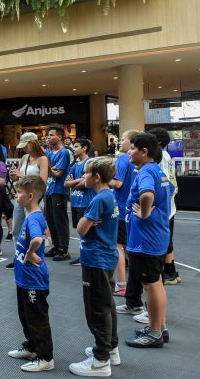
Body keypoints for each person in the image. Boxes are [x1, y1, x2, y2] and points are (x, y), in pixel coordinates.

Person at [69, 157, 120, 377]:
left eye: (86, 174)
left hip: (96, 258)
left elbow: (80, 229)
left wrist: (86, 221)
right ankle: (111, 349)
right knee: (107, 304)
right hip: (105, 256)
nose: (83, 177)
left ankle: (101, 361)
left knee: (97, 309)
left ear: (96, 177)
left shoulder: (100, 199)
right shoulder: (109, 195)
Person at [120, 133, 172, 348]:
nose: (129, 152)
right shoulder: (158, 171)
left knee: (150, 285)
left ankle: (154, 332)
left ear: (144, 152)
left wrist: (143, 212)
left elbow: (148, 195)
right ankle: (160, 326)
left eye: (132, 148)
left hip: (145, 240)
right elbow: (169, 191)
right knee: (156, 283)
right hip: (155, 237)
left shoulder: (146, 172)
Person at [8, 175, 54, 372]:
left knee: (37, 318)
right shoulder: (33, 215)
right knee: (26, 316)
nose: (16, 196)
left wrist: (29, 253)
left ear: (30, 196)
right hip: (24, 279)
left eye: (19, 192)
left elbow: (37, 239)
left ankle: (45, 357)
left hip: (33, 280)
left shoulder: (34, 217)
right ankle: (32, 345)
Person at [109, 130, 138, 297]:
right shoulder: (139, 162)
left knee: (118, 247)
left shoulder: (123, 160)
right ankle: (134, 286)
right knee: (129, 247)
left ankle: (121, 285)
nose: (119, 142)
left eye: (123, 139)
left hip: (121, 208)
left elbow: (117, 183)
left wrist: (104, 179)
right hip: (131, 209)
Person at [149, 128, 180, 285]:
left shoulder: (160, 157)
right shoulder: (165, 155)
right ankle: (171, 271)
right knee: (167, 239)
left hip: (164, 206)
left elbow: (165, 182)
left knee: (165, 239)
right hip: (168, 204)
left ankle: (169, 273)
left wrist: (155, 203)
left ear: (158, 141)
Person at [10, 133, 49, 245]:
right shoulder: (24, 158)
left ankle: (32, 256)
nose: (23, 148)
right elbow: (16, 178)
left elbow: (42, 182)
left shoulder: (43, 159)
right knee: (16, 230)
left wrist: (21, 176)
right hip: (21, 198)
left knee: (33, 231)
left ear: (33, 143)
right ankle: (18, 256)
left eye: (25, 145)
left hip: (34, 200)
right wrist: (13, 176)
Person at [64, 139, 95, 266]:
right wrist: (78, 181)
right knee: (80, 232)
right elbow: (66, 184)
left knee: (88, 232)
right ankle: (83, 256)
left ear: (84, 148)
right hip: (75, 203)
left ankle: (89, 257)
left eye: (76, 146)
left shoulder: (90, 163)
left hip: (86, 202)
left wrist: (75, 183)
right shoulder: (75, 165)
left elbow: (85, 184)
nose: (74, 148)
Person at [44, 126, 72, 261]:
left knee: (60, 220)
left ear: (59, 137)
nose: (47, 137)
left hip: (59, 190)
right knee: (50, 218)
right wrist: (50, 169)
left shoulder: (64, 152)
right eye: (47, 135)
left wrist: (49, 169)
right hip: (48, 189)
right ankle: (56, 246)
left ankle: (64, 249)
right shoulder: (49, 153)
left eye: (50, 135)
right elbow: (47, 170)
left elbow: (58, 173)